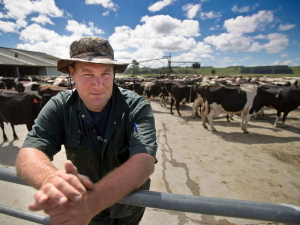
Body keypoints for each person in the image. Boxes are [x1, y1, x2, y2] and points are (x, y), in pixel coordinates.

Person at [15, 36, 158, 225]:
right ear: (72, 74)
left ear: (114, 73)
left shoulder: (136, 107)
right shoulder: (60, 106)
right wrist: (50, 178)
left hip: (128, 207)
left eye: (105, 74)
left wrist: (93, 202)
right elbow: (29, 151)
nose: (98, 86)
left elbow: (144, 160)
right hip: (89, 214)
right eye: (88, 74)